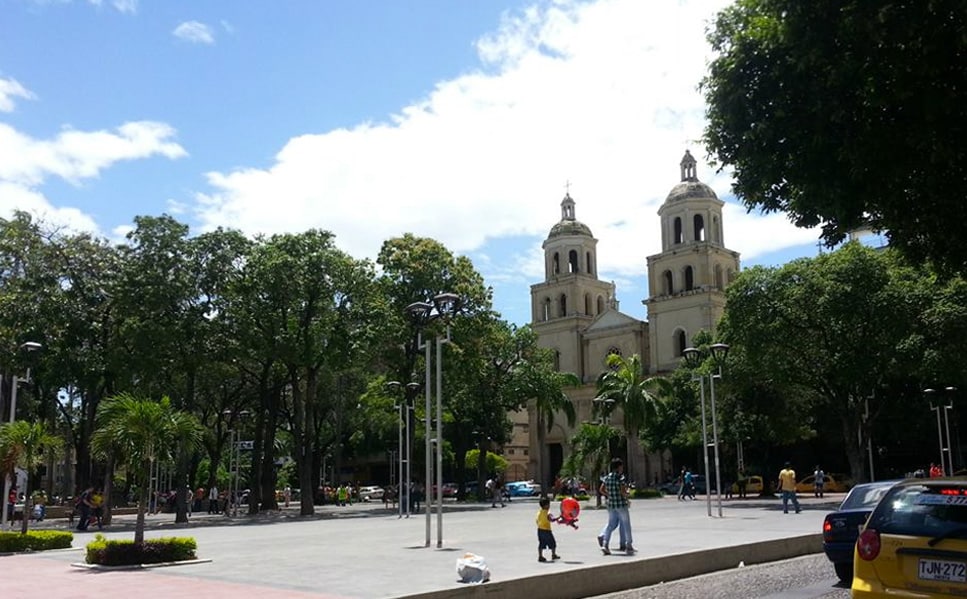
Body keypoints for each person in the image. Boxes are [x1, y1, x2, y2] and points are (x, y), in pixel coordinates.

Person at [597, 457, 634, 555]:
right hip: (621, 504)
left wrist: (609, 495)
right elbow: (623, 492)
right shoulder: (620, 478)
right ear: (618, 467)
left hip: (611, 505)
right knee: (626, 524)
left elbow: (601, 490)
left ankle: (605, 544)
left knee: (610, 525)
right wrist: (628, 493)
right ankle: (628, 544)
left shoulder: (607, 477)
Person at [536, 496, 561, 562]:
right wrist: (558, 517)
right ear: (546, 505)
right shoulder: (548, 513)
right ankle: (553, 554)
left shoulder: (539, 512)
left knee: (541, 543)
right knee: (552, 543)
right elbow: (552, 519)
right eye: (549, 504)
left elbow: (537, 521)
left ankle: (540, 556)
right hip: (547, 530)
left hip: (540, 530)